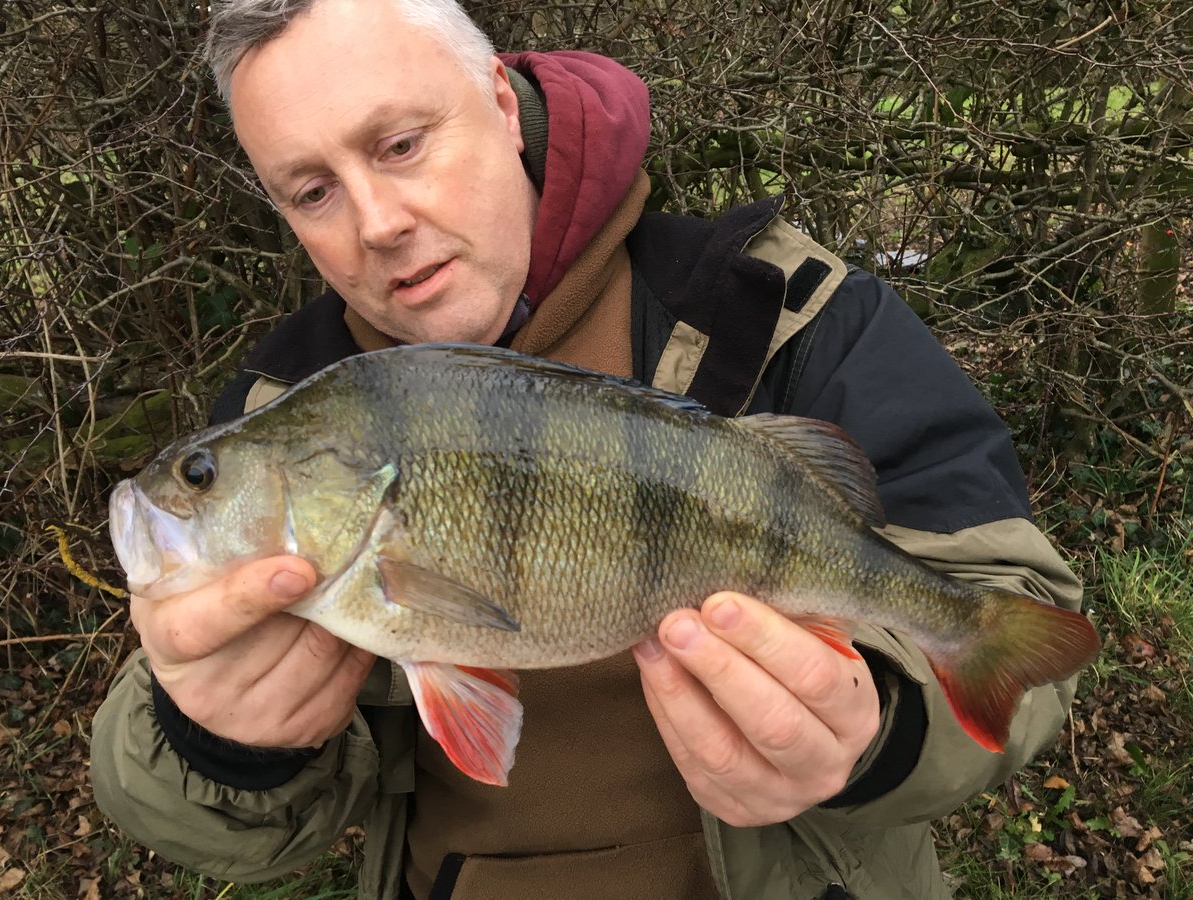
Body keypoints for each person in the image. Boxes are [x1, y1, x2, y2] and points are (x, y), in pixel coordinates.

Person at [89, 1, 1086, 898]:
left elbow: (1024, 618)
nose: (377, 224)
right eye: (311, 190)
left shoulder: (786, 308)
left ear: (496, 99)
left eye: (398, 144)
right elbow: (216, 822)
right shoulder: (284, 405)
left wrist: (877, 734)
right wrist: (212, 738)